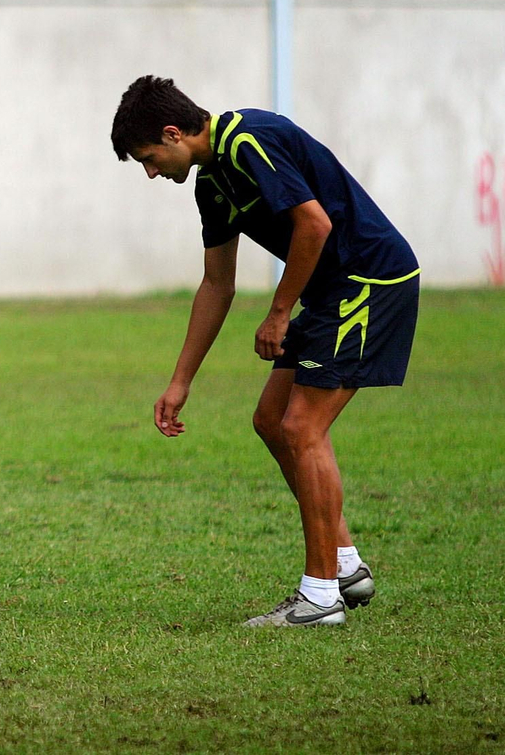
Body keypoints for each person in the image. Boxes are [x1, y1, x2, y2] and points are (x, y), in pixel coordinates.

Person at [111, 75, 420, 627]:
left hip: (370, 281)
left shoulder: (248, 139)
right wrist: (180, 381)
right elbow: (216, 286)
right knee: (272, 420)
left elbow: (314, 224)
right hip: (332, 291)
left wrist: (280, 312)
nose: (152, 172)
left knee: (303, 428)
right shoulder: (213, 185)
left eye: (149, 158)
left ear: (173, 132)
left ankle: (321, 597)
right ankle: (344, 563)